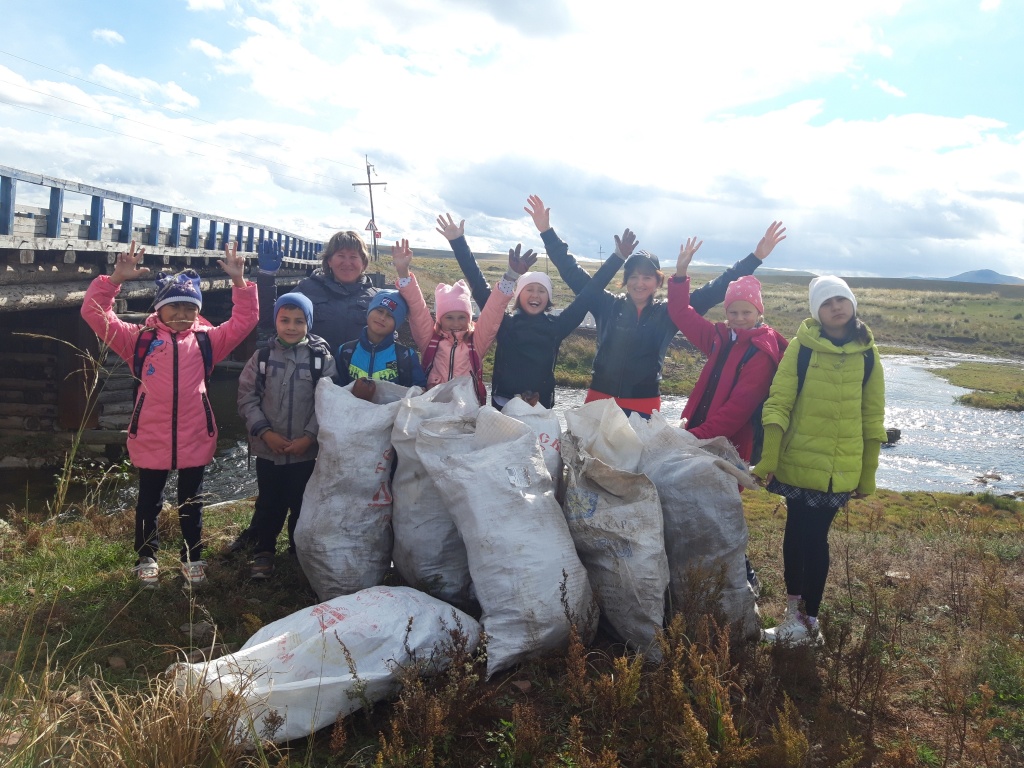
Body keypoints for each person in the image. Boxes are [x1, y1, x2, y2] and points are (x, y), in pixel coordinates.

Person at [80, 240, 258, 587]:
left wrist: (239, 282)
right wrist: (115, 278)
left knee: (192, 501)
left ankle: (193, 556)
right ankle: (147, 556)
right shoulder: (138, 339)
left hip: (195, 433)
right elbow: (93, 312)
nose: (182, 314)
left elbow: (245, 320)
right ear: (159, 309)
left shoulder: (208, 340)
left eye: (189, 308)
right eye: (174, 307)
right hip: (151, 433)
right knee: (149, 500)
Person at [527, 194, 787, 417]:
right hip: (599, 399)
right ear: (625, 280)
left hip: (644, 404)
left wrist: (755, 257)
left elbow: (716, 290)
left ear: (658, 281)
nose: (640, 283)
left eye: (647, 277)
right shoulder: (605, 304)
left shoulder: (670, 312)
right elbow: (571, 271)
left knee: (637, 473)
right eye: (634, 277)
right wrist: (546, 232)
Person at [753, 276, 886, 646]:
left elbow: (873, 417)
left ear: (853, 305)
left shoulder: (868, 353)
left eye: (842, 299)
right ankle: (796, 616)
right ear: (816, 311)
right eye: (827, 303)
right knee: (796, 534)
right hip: (797, 461)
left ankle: (809, 622)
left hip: (838, 469)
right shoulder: (802, 347)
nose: (836, 307)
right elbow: (779, 402)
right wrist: (769, 458)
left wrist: (868, 474)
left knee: (815, 538)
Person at [436, 212, 628, 410]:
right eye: (529, 289)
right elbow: (478, 285)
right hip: (503, 406)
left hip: (540, 408)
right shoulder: (503, 322)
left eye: (542, 291)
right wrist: (458, 241)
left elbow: (589, 292)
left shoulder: (557, 326)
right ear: (518, 295)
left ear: (548, 299)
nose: (535, 295)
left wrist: (618, 258)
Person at [235, 293, 338, 580]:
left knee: (301, 503)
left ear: (309, 323)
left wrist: (309, 437)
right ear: (276, 321)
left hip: (306, 452)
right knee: (268, 503)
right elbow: (246, 398)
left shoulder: (322, 360)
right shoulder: (262, 358)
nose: (291, 327)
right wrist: (265, 433)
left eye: (298, 321)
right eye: (284, 320)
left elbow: (328, 403)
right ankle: (263, 552)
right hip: (269, 450)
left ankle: (298, 552)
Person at [667, 237, 788, 461]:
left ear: (759, 313)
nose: (740, 318)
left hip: (730, 447)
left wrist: (696, 437)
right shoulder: (718, 337)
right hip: (695, 434)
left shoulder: (762, 351)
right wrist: (681, 273)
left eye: (747, 313)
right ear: (726, 313)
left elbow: (738, 409)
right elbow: (681, 313)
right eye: (733, 312)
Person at [392, 238, 514, 405]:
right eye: (449, 317)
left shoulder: (476, 342)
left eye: (462, 317)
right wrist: (403, 272)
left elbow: (493, 312)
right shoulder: (430, 340)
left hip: (467, 410)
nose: (456, 323)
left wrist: (510, 277)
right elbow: (417, 309)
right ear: (440, 318)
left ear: (469, 318)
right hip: (433, 407)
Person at [256, 231, 378, 354]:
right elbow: (271, 321)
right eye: (341, 255)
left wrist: (399, 278)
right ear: (329, 261)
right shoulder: (307, 289)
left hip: (359, 372)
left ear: (363, 263)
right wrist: (266, 277)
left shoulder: (375, 299)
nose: (347, 262)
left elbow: (392, 337)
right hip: (313, 371)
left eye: (353, 256)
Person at [335, 289, 428, 388]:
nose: (382, 318)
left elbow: (418, 391)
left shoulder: (406, 356)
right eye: (379, 311)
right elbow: (336, 388)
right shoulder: (346, 351)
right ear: (369, 310)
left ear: (397, 324)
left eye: (390, 316)